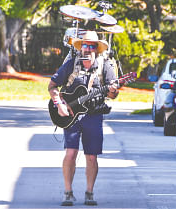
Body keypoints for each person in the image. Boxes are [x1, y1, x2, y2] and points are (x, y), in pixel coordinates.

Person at [48, 30, 119, 206]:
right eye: (84, 45)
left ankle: (89, 192)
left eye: (91, 46)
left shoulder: (106, 66)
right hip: (71, 116)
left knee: (91, 156)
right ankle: (68, 192)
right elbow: (52, 86)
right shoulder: (71, 64)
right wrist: (60, 104)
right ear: (80, 48)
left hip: (93, 116)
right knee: (71, 153)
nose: (87, 49)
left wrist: (113, 90)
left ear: (96, 49)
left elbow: (113, 92)